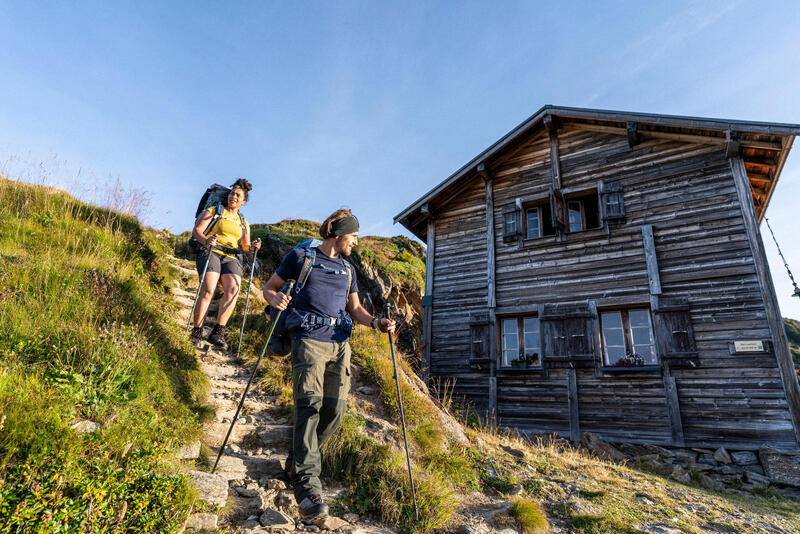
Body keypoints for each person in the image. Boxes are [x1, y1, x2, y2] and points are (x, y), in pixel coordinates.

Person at [263, 209, 394, 521]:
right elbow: (270, 287)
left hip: (340, 345)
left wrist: (377, 322)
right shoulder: (301, 258)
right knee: (309, 406)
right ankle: (307, 487)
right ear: (340, 234)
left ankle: (298, 460)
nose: (356, 241)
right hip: (307, 339)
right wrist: (274, 300)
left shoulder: (348, 269)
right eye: (354, 235)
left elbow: (357, 309)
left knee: (334, 412)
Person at [190, 178, 261, 350]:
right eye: (231, 193)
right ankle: (197, 332)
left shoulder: (244, 223)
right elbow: (197, 230)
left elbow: (244, 247)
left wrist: (252, 247)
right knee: (208, 290)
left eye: (238, 195)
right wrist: (206, 240)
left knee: (233, 290)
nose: (233, 197)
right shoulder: (214, 210)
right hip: (211, 251)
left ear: (243, 201)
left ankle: (218, 332)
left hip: (232, 257)